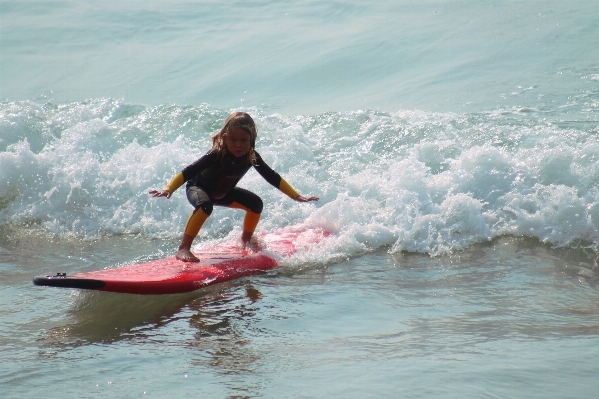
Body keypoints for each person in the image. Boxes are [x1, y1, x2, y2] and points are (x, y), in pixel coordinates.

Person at [149, 112, 319, 262]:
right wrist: (168, 189)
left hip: (224, 194)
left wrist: (296, 196)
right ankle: (184, 248)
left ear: (252, 140)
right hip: (198, 189)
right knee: (205, 206)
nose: (238, 145)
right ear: (224, 137)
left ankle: (246, 240)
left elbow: (272, 177)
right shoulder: (217, 154)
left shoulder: (252, 157)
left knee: (256, 204)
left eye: (243, 140)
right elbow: (188, 171)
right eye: (233, 140)